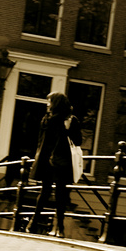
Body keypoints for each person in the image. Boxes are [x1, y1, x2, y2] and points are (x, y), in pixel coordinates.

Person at [26, 90, 82, 237]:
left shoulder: (67, 120)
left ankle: (35, 224)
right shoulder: (48, 119)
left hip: (58, 161)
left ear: (55, 103)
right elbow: (42, 141)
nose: (47, 104)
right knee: (55, 194)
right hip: (52, 161)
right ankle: (57, 228)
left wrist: (68, 129)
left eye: (49, 101)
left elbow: (77, 142)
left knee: (52, 193)